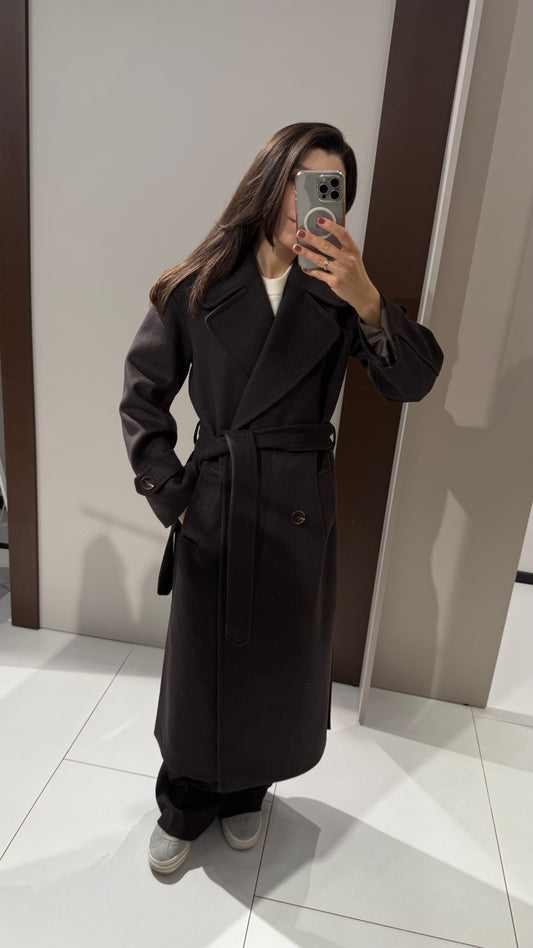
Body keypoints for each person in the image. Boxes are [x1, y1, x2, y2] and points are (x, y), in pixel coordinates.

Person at [119, 122, 444, 874]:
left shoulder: (338, 294)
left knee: (277, 662)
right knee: (203, 664)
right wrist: (175, 497)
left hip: (299, 506)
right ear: (271, 184)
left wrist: (368, 300)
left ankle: (247, 791)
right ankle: (184, 800)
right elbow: (142, 397)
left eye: (328, 190)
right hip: (219, 500)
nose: (309, 206)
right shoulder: (199, 284)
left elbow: (413, 382)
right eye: (301, 183)